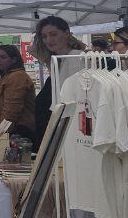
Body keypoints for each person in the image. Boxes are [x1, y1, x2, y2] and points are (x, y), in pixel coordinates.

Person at [31, 16, 89, 144]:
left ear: (67, 33)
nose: (48, 40)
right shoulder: (57, 60)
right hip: (63, 124)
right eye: (44, 36)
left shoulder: (76, 58)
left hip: (73, 126)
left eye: (53, 34)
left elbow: (77, 98)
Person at [0, 44, 36, 140]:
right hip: (10, 129)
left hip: (19, 131)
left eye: (3, 57)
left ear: (14, 59)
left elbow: (11, 110)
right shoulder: (6, 76)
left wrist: (0, 134)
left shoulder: (17, 77)